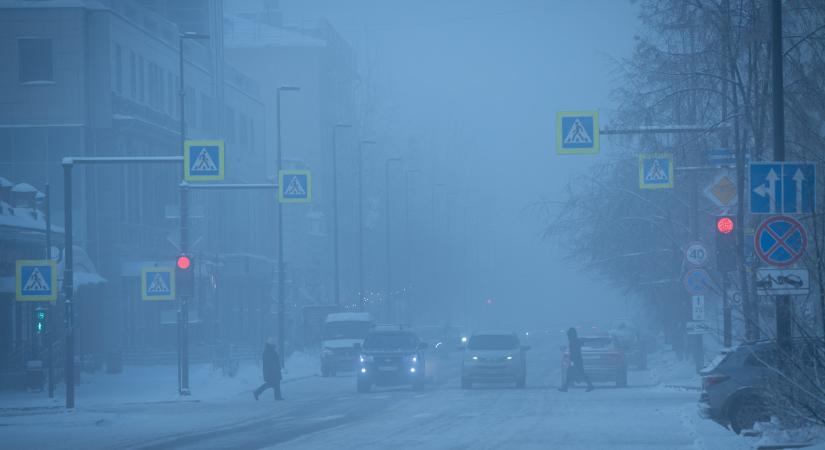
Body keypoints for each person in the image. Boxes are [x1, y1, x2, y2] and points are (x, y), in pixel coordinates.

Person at [559, 327, 593, 392]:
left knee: (571, 373)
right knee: (574, 373)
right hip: (577, 360)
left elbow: (574, 352)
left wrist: (572, 361)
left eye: (568, 335)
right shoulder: (575, 341)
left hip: (575, 361)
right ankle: (590, 385)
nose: (568, 336)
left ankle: (565, 387)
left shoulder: (573, 341)